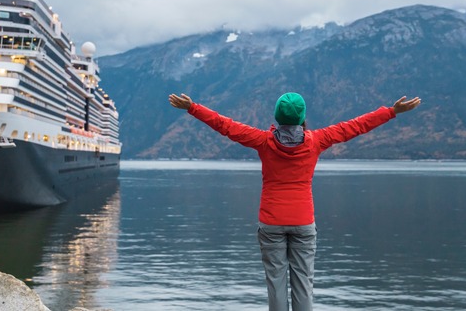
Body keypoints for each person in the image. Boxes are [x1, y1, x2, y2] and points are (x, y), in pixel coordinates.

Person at [168, 92, 421, 311]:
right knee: (303, 283)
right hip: (303, 222)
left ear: (277, 117)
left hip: (271, 222)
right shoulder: (317, 141)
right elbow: (355, 126)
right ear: (302, 118)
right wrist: (390, 112)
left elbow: (225, 125)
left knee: (276, 282)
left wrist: (192, 108)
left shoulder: (263, 141)